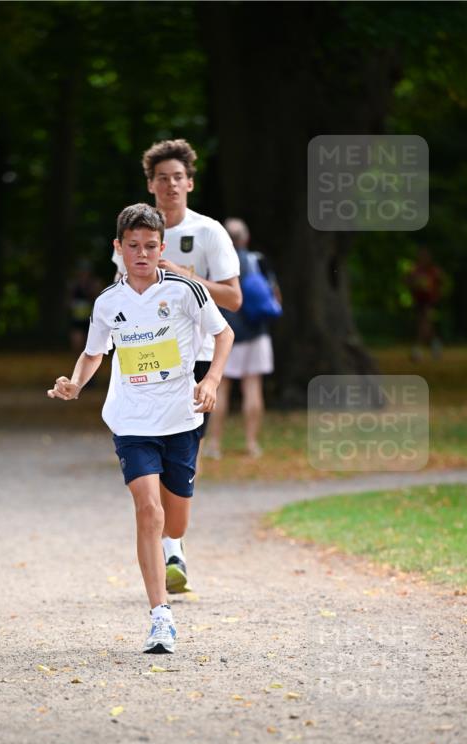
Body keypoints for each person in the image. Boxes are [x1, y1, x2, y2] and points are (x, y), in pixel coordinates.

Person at [48, 203, 234, 654]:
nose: (142, 254)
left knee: (176, 521)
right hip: (132, 419)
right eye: (132, 246)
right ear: (119, 248)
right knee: (147, 510)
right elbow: (95, 352)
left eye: (150, 246)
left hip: (180, 419)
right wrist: (76, 382)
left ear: (161, 247)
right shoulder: (109, 302)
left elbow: (223, 333)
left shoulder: (187, 291)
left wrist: (210, 380)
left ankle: (174, 548)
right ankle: (160, 616)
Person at [112, 138, 242, 594]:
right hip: (148, 354)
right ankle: (169, 547)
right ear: (150, 184)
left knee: (182, 451)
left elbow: (234, 299)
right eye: (161, 177)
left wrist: (187, 278)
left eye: (178, 177)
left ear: (190, 182)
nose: (170, 184)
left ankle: (173, 537)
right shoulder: (134, 234)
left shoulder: (209, 233)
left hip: (199, 353)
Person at [207, 218, 282, 460]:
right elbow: (275, 295)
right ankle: (251, 444)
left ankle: (215, 445)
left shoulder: (215, 265)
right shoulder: (257, 260)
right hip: (257, 332)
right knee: (253, 387)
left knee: (221, 389)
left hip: (226, 335)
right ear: (245, 238)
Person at [406, 248, 444, 361]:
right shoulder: (415, 270)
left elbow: (440, 283)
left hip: (430, 301)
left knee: (424, 323)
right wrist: (414, 283)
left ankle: (417, 349)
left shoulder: (433, 271)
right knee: (425, 324)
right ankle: (435, 344)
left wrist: (434, 291)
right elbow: (408, 281)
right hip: (419, 301)